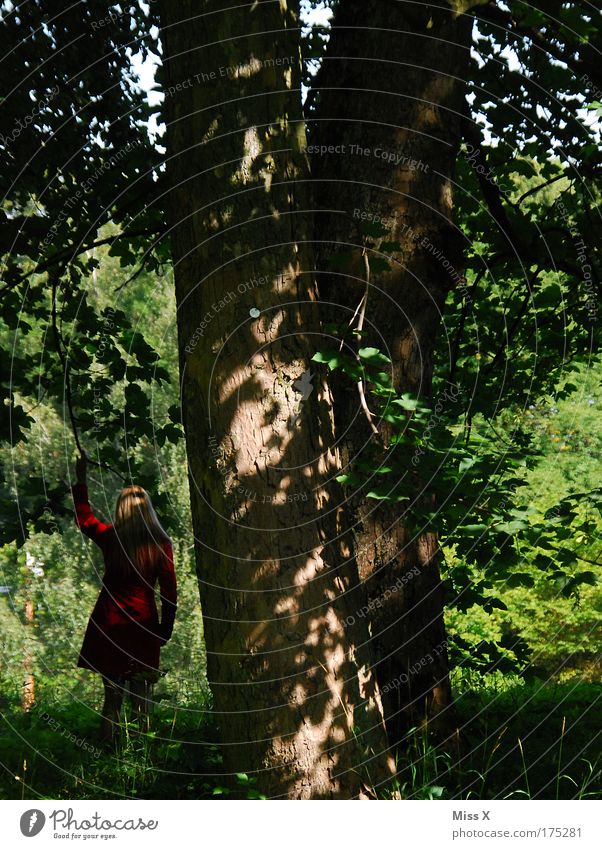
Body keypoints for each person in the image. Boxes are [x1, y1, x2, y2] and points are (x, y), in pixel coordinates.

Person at [72, 450, 177, 745]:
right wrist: (164, 631)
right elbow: (169, 592)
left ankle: (107, 755)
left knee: (112, 700)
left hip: (109, 625)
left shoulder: (110, 537)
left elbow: (85, 519)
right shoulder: (161, 544)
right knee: (141, 701)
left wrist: (81, 479)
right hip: (142, 627)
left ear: (121, 509)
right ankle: (142, 761)